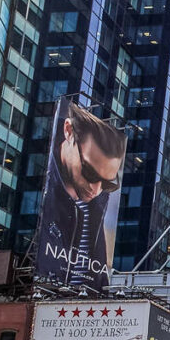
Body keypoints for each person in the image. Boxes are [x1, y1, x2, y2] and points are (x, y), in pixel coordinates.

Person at [35, 101, 126, 288]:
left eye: (108, 182)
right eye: (90, 173)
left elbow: (99, 281)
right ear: (68, 131)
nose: (96, 189)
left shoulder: (99, 203)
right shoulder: (42, 188)